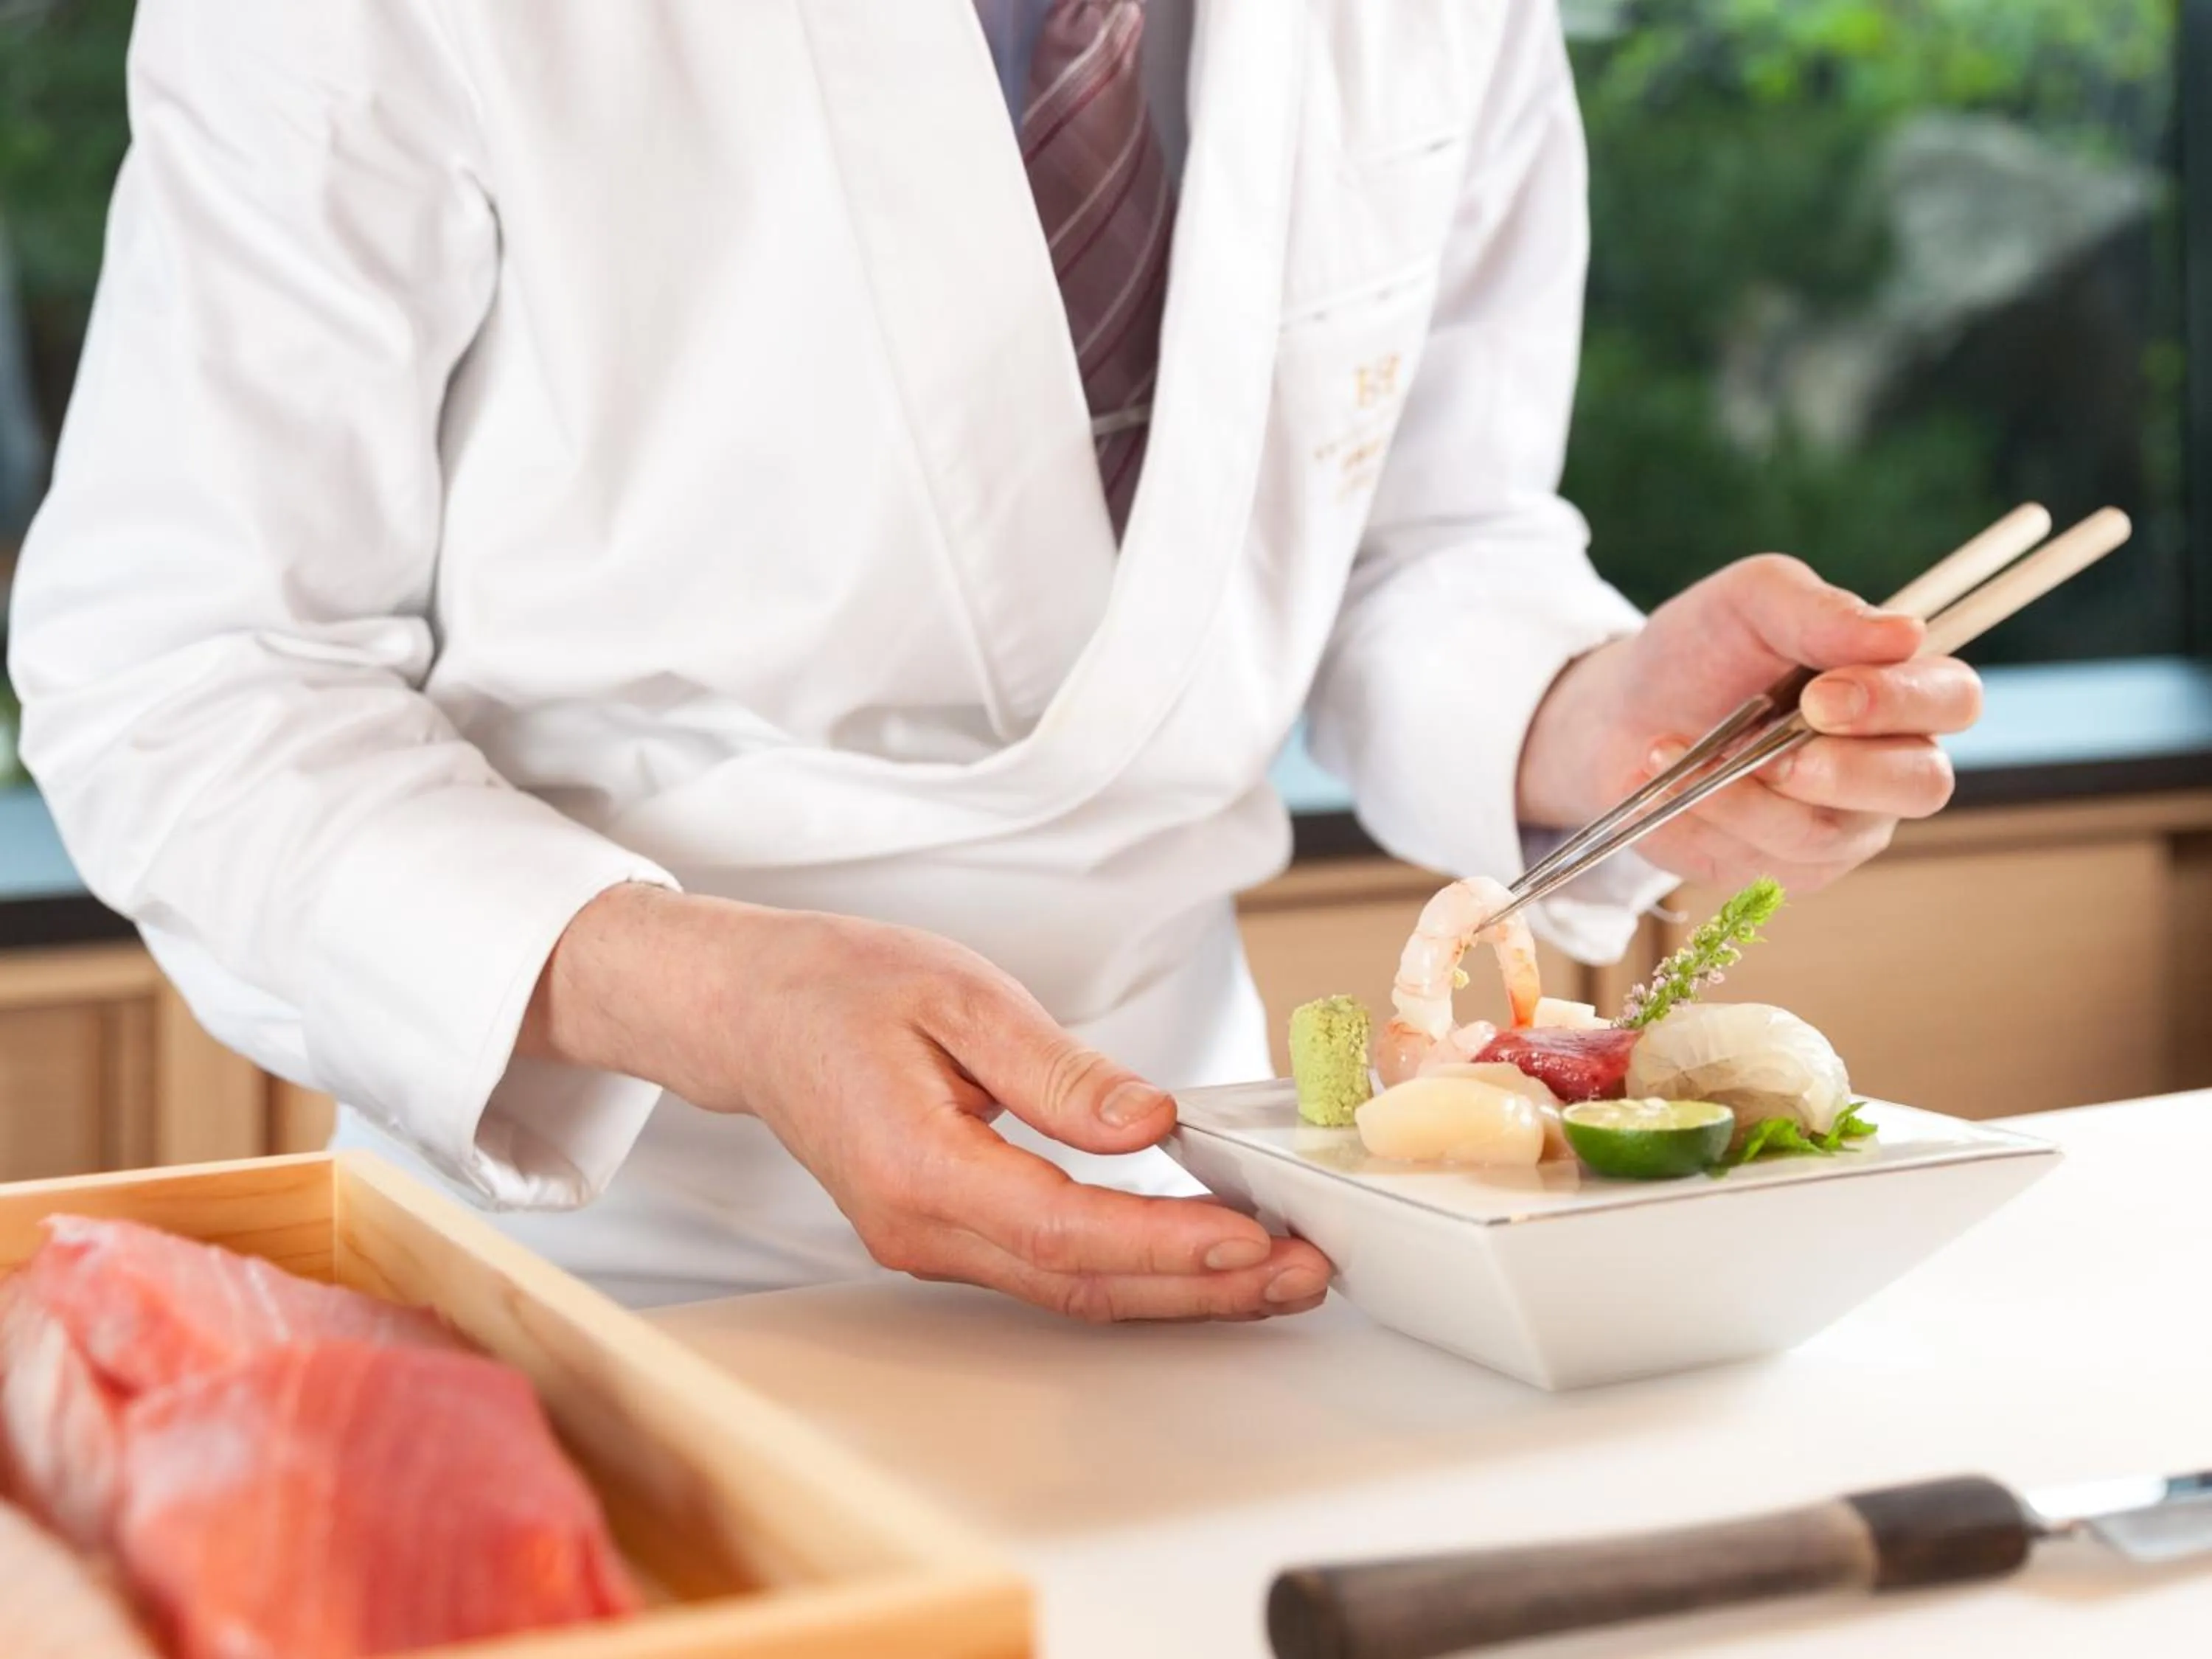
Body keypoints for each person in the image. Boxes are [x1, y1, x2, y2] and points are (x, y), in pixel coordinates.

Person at [8, 0, 1978, 1318]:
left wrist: (1589, 719)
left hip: (1206, 1187)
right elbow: (190, 671)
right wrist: (713, 991)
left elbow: (1411, 537)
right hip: (604, 1246)